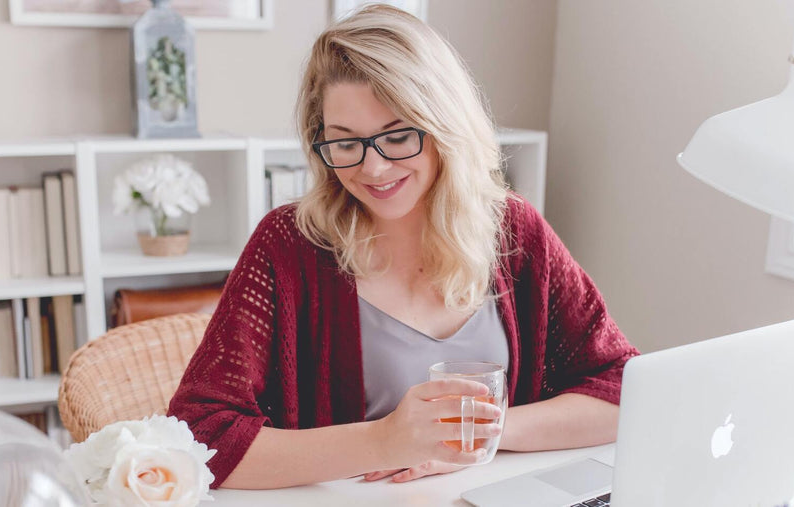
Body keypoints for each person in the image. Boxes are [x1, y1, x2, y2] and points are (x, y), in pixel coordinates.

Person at [168, 4, 639, 490]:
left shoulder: (514, 231)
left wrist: (478, 434)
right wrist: (385, 440)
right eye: (345, 142)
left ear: (444, 126)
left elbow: (624, 389)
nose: (372, 169)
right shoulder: (288, 246)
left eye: (397, 136)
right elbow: (198, 436)